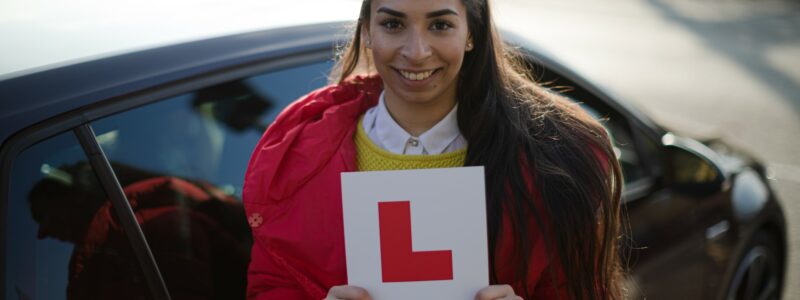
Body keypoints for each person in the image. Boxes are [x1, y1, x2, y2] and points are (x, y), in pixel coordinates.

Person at [243, 0, 625, 299]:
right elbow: (272, 285)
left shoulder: (552, 162)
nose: (417, 51)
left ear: (471, 33)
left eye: (440, 25)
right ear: (368, 32)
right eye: (393, 24)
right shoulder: (296, 163)